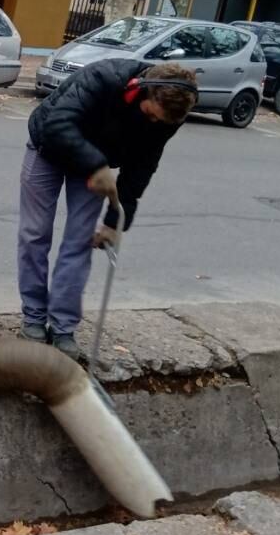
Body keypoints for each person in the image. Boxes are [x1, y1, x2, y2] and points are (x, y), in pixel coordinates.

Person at [18, 59, 198, 359]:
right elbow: (58, 124)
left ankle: (63, 328)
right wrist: (97, 165)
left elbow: (142, 165)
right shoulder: (103, 77)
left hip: (92, 165)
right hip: (47, 147)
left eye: (161, 122)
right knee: (34, 234)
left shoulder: (169, 115)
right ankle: (33, 319)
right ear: (141, 91)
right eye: (151, 115)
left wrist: (115, 221)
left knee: (78, 242)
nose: (154, 124)